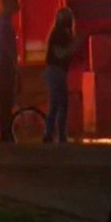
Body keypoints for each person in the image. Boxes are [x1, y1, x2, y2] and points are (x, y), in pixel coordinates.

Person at [43, 8, 81, 143]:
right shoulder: (61, 34)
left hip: (53, 71)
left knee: (54, 104)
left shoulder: (57, 32)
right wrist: (74, 46)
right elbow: (60, 54)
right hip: (56, 71)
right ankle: (60, 135)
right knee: (62, 103)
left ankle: (49, 134)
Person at [0, 0, 19, 142]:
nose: (18, 5)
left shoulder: (0, 21)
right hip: (4, 67)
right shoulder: (4, 23)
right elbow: (4, 44)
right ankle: (6, 134)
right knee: (5, 100)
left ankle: (6, 133)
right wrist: (14, 61)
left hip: (0, 66)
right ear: (9, 4)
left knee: (4, 101)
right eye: (15, 2)